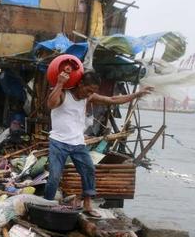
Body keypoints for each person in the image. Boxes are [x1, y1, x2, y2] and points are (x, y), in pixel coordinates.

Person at [44, 70, 153, 216]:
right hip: (58, 142)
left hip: (78, 143)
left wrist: (137, 94)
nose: (89, 94)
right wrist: (59, 83)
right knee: (54, 177)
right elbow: (51, 104)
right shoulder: (63, 94)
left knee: (89, 170)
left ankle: (87, 204)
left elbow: (113, 100)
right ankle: (46, 205)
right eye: (88, 90)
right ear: (81, 83)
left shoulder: (89, 97)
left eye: (92, 92)